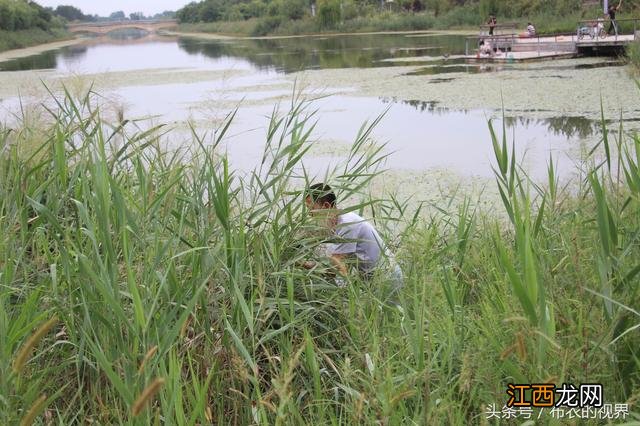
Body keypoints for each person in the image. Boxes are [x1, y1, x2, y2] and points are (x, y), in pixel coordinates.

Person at [303, 183, 403, 295]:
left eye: (311, 209)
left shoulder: (347, 224)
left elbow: (336, 268)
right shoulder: (334, 224)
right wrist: (303, 262)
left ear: (326, 206)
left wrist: (304, 264)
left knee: (388, 312)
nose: (309, 214)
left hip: (387, 277)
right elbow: (331, 267)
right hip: (374, 279)